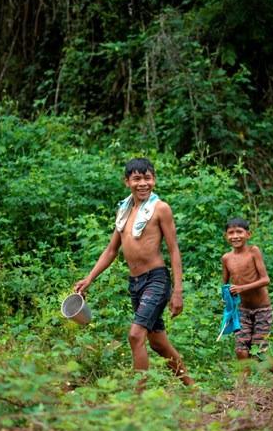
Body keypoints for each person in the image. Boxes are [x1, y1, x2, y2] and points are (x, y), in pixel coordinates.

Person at [74, 158, 193, 386]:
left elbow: (174, 250)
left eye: (147, 178)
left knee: (135, 335)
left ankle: (138, 403)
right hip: (135, 283)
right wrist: (89, 278)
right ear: (127, 181)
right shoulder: (124, 210)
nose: (143, 184)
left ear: (154, 180)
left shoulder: (160, 209)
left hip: (156, 279)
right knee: (158, 342)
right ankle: (194, 389)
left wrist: (177, 291)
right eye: (137, 179)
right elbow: (111, 251)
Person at [221, 217, 273, 375]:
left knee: (259, 349)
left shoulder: (253, 251)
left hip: (262, 309)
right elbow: (225, 284)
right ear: (226, 236)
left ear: (248, 234)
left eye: (239, 232)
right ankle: (244, 386)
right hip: (242, 311)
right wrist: (227, 301)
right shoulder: (226, 258)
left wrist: (242, 288)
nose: (235, 236)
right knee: (241, 349)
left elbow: (265, 279)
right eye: (231, 233)